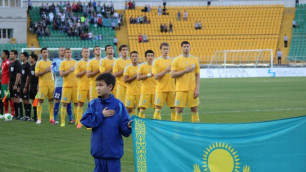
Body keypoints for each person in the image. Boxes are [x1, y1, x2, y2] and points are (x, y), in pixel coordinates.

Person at [80, 73, 132, 172]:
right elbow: (85, 121)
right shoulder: (93, 104)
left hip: (113, 154)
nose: (98, 88)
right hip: (98, 154)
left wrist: (128, 126)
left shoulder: (118, 105)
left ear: (110, 87)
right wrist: (101, 115)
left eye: (101, 85)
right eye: (96, 85)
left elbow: (124, 130)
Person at [171, 41, 200, 123]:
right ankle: (178, 129)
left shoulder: (194, 59)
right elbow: (172, 74)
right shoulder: (176, 60)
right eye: (184, 46)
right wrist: (185, 71)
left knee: (194, 109)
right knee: (179, 110)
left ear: (190, 48)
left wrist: (197, 89)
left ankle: (196, 128)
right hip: (180, 89)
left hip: (192, 89)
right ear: (181, 48)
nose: (186, 48)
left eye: (187, 46)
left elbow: (197, 75)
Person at [152, 43, 176, 121]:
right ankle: (157, 125)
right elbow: (155, 76)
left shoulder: (173, 60)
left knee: (173, 108)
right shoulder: (156, 62)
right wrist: (166, 70)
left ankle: (175, 126)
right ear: (161, 50)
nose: (166, 51)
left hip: (172, 88)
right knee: (158, 108)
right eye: (164, 49)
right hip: (161, 89)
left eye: (167, 49)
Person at [51, 47, 73, 124]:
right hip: (59, 84)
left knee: (68, 102)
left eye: (64, 51)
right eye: (61, 50)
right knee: (57, 101)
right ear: (59, 51)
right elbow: (53, 70)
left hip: (68, 84)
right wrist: (65, 71)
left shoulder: (70, 61)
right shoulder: (55, 61)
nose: (63, 52)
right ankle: (55, 119)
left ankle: (70, 119)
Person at [35, 48, 55, 124]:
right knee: (40, 100)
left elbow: (53, 74)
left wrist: (54, 83)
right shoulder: (39, 63)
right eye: (44, 52)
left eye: (46, 52)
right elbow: (36, 74)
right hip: (42, 85)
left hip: (51, 85)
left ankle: (51, 118)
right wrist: (45, 71)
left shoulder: (52, 62)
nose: (45, 53)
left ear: (48, 53)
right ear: (41, 53)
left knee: (51, 100)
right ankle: (39, 118)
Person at [59, 48, 78, 127]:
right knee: (64, 104)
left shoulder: (76, 62)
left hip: (76, 86)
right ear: (65, 53)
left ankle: (77, 121)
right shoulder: (63, 63)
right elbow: (61, 74)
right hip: (67, 86)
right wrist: (69, 71)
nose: (69, 53)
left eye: (70, 52)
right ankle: (62, 121)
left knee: (77, 104)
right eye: (67, 52)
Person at [137, 50, 156, 118]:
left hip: (155, 91)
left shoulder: (156, 65)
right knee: (142, 109)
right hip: (145, 90)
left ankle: (157, 125)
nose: (150, 57)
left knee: (156, 108)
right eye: (148, 56)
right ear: (145, 57)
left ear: (153, 57)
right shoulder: (142, 66)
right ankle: (141, 124)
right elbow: (138, 78)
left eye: (151, 56)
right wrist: (149, 75)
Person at [75, 48, 90, 128]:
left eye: (87, 51)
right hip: (82, 87)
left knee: (91, 105)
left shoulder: (92, 62)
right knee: (80, 104)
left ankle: (89, 123)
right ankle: (79, 122)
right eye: (85, 51)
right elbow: (76, 75)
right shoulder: (79, 63)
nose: (86, 53)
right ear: (82, 53)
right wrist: (85, 71)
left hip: (91, 87)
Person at [123, 51, 141, 116]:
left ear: (138, 57)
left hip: (140, 91)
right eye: (133, 56)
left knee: (141, 109)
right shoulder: (127, 68)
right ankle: (130, 123)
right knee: (129, 109)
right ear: (130, 57)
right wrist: (135, 76)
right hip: (130, 92)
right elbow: (125, 80)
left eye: (136, 56)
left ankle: (138, 123)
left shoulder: (141, 67)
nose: (134, 58)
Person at [9, 50, 23, 120]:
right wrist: (9, 85)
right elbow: (10, 75)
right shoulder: (11, 64)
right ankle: (16, 114)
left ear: (15, 55)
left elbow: (18, 74)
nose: (10, 55)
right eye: (10, 54)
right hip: (11, 83)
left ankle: (21, 115)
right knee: (13, 99)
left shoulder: (17, 63)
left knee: (17, 99)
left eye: (11, 54)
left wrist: (16, 84)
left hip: (15, 83)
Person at [1, 50, 15, 117]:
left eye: (3, 53)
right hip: (3, 82)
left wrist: (9, 82)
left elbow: (11, 74)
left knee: (9, 98)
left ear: (6, 55)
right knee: (4, 98)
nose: (1, 54)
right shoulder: (2, 63)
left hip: (7, 82)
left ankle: (13, 113)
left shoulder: (8, 63)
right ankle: (6, 112)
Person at [19, 52, 32, 121]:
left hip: (25, 84)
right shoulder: (21, 66)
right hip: (21, 84)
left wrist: (26, 86)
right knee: (24, 100)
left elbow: (28, 76)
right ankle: (26, 115)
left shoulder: (28, 65)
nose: (21, 57)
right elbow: (21, 76)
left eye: (22, 56)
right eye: (21, 56)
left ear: (26, 57)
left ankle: (28, 116)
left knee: (27, 100)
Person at [28, 53, 38, 121]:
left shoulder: (36, 66)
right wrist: (29, 85)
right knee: (32, 100)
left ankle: (37, 116)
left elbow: (39, 77)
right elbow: (30, 77)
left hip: (36, 85)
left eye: (30, 58)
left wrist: (38, 85)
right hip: (31, 85)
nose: (29, 59)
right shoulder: (31, 67)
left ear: (33, 59)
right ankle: (34, 116)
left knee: (36, 100)